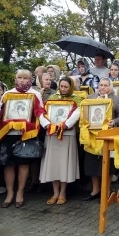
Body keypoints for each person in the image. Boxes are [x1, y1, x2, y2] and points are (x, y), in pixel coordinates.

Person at [0, 69, 45, 208]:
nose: (22, 80)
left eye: (25, 78)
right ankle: (10, 193)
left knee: (23, 164)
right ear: (15, 79)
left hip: (25, 135)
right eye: (19, 78)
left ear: (30, 80)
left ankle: (20, 193)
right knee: (8, 165)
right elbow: (0, 115)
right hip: (8, 134)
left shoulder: (35, 94)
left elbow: (40, 114)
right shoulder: (8, 94)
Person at [39, 77, 82, 205]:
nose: (63, 89)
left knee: (64, 164)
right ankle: (55, 193)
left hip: (67, 135)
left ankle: (63, 193)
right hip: (52, 135)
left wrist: (64, 125)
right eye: (61, 86)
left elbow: (77, 113)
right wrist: (47, 125)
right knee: (54, 164)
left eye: (66, 87)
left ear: (71, 87)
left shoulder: (78, 99)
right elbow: (42, 112)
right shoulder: (52, 98)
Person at [82, 78, 119, 201]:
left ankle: (106, 191)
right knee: (92, 164)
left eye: (106, 85)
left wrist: (114, 122)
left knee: (108, 165)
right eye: (101, 85)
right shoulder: (90, 98)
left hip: (108, 136)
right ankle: (95, 191)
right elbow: (84, 115)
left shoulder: (116, 100)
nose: (103, 87)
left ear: (111, 88)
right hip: (92, 137)